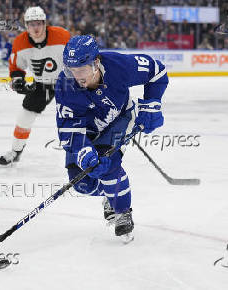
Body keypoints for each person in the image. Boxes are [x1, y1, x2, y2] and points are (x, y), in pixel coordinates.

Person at [55, 35, 168, 242]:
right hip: (86, 132)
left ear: (96, 63)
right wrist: (83, 151)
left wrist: (152, 105)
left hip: (120, 119)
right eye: (71, 69)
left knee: (108, 166)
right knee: (82, 184)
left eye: (82, 69)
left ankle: (122, 211)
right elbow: (68, 127)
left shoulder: (119, 66)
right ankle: (110, 193)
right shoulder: (65, 85)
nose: (76, 75)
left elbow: (157, 71)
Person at [0, 6, 70, 166]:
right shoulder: (20, 42)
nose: (35, 28)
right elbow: (16, 67)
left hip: (67, 82)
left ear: (45, 24)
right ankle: (16, 151)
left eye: (38, 23)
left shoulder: (62, 35)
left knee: (79, 115)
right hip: (41, 84)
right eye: (31, 24)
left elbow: (76, 56)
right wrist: (18, 82)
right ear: (26, 26)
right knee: (24, 118)